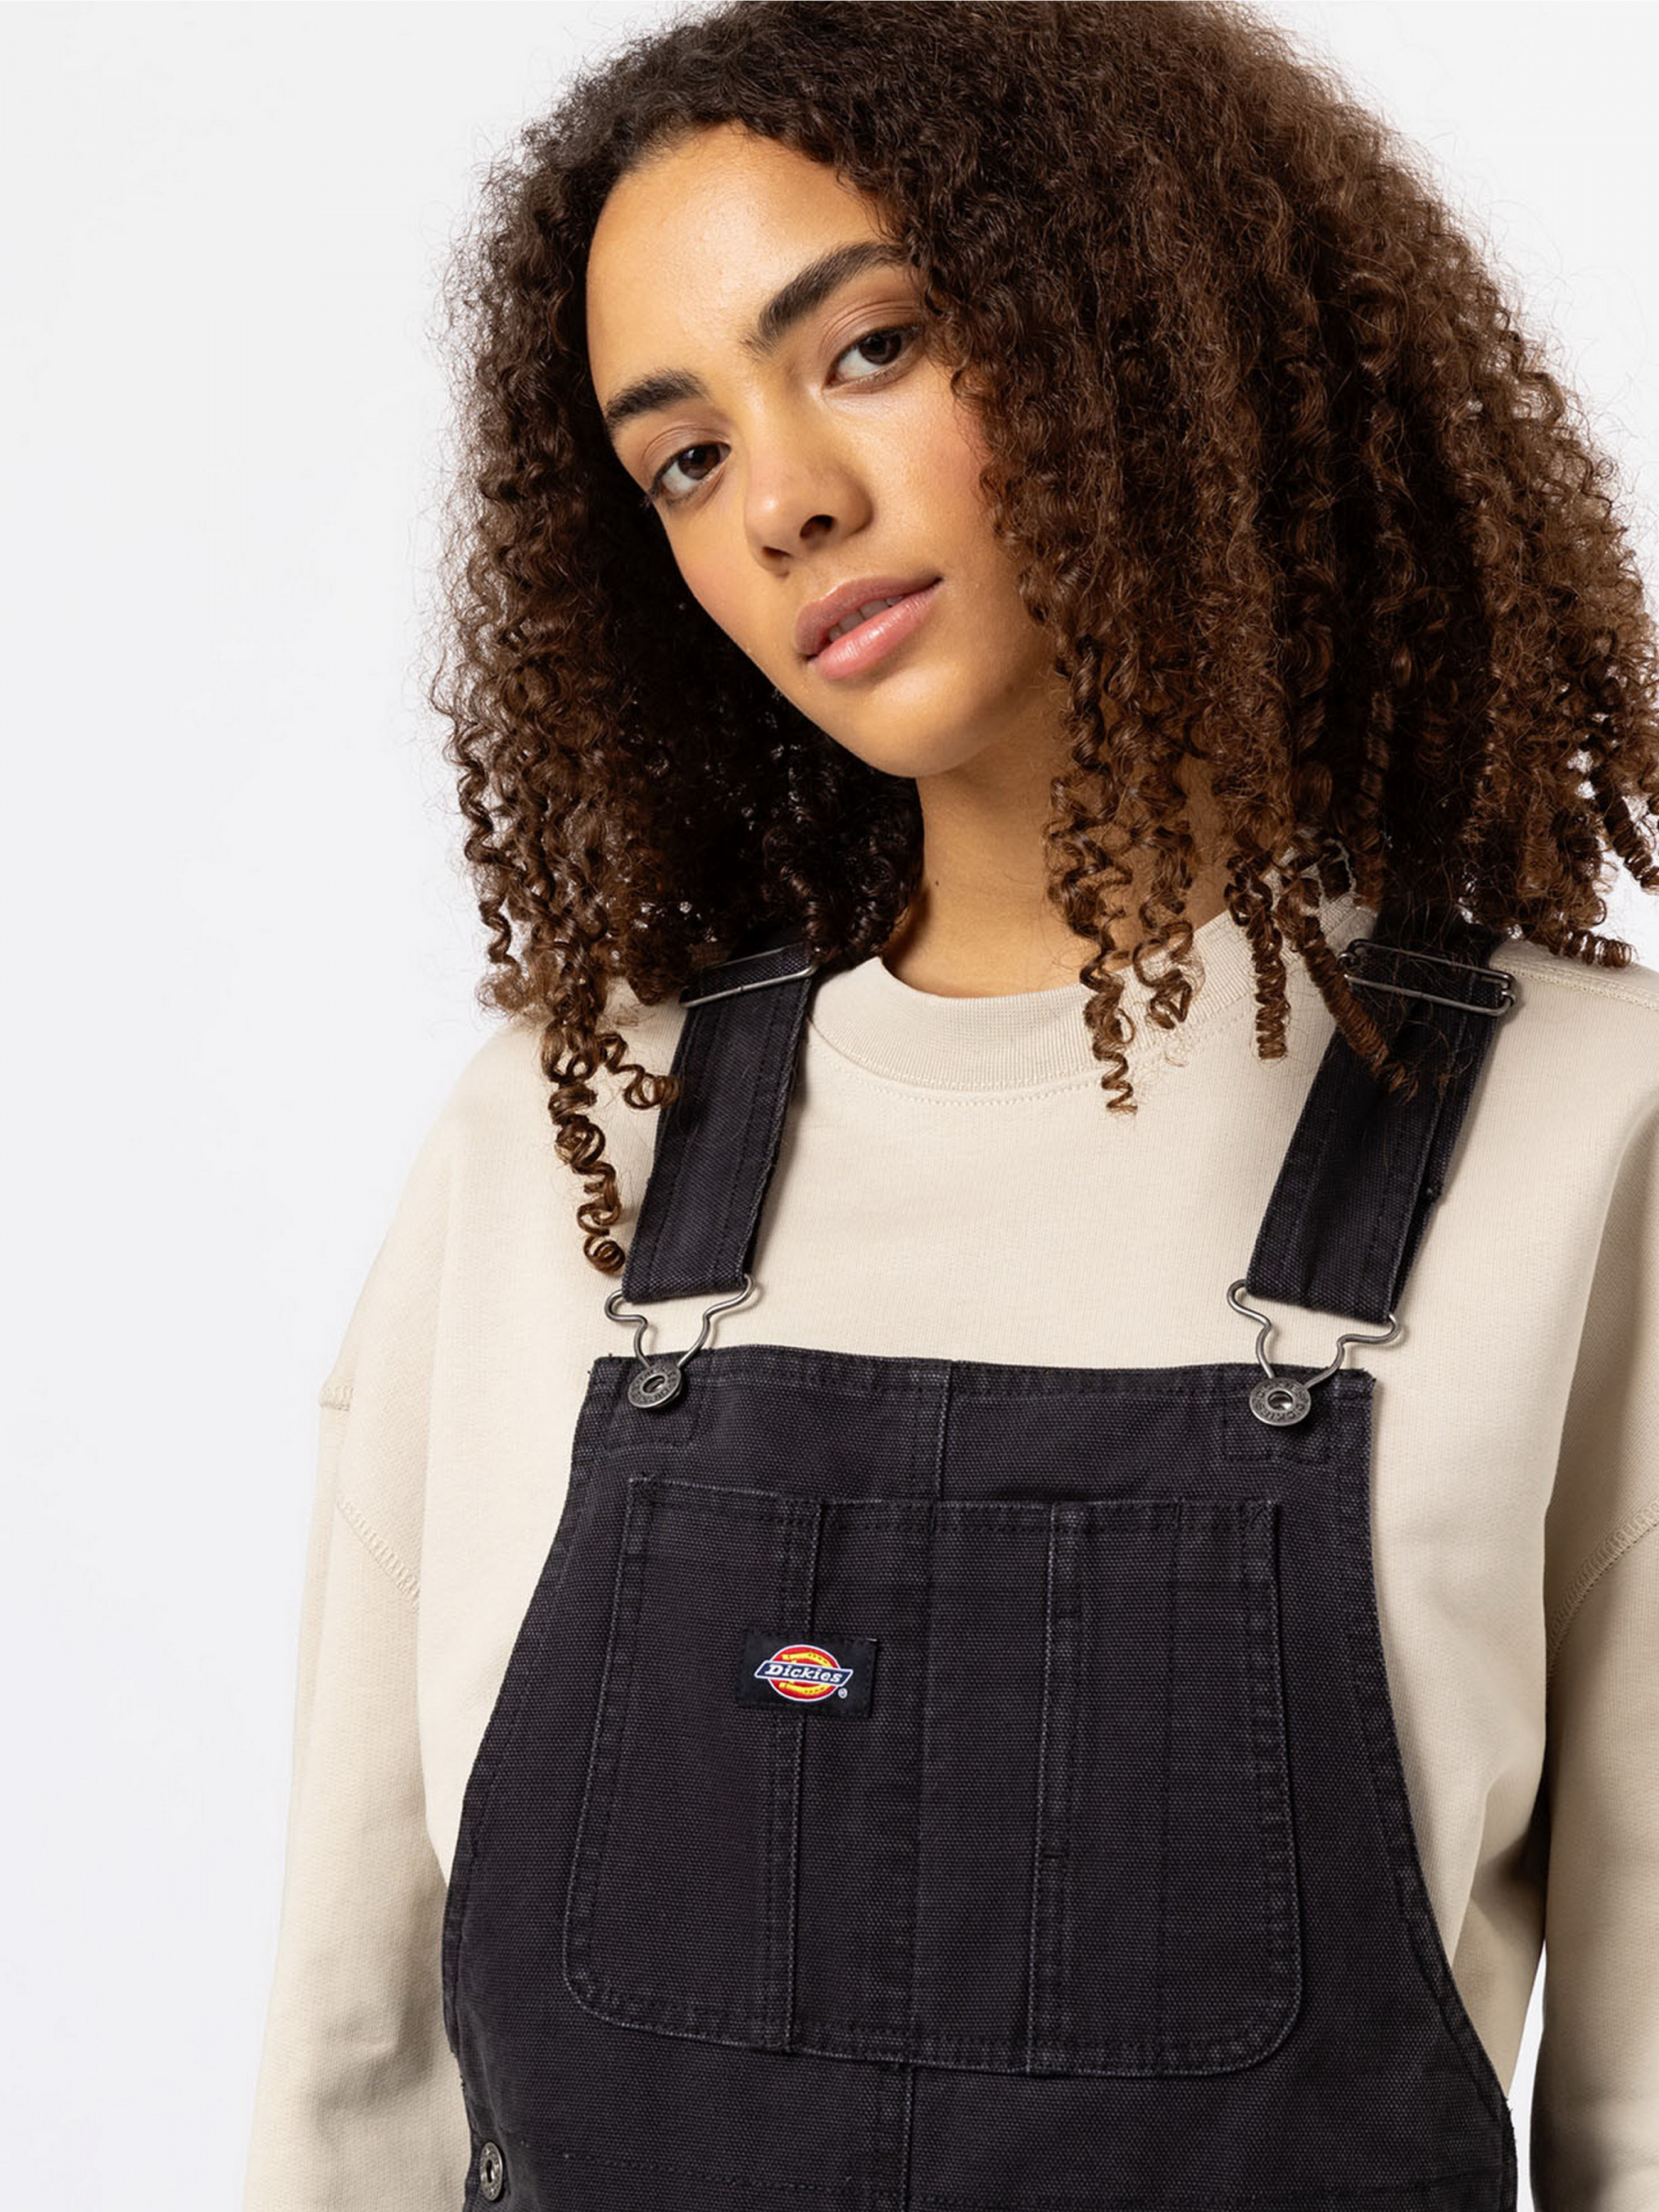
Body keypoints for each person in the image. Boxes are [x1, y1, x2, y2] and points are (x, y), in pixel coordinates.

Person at [243, 5, 1659, 2208]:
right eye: (682, 458)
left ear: (1145, 322)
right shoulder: (571, 1137)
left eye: (874, 346)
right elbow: (358, 2089)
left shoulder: (1588, 1132)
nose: (786, 499)